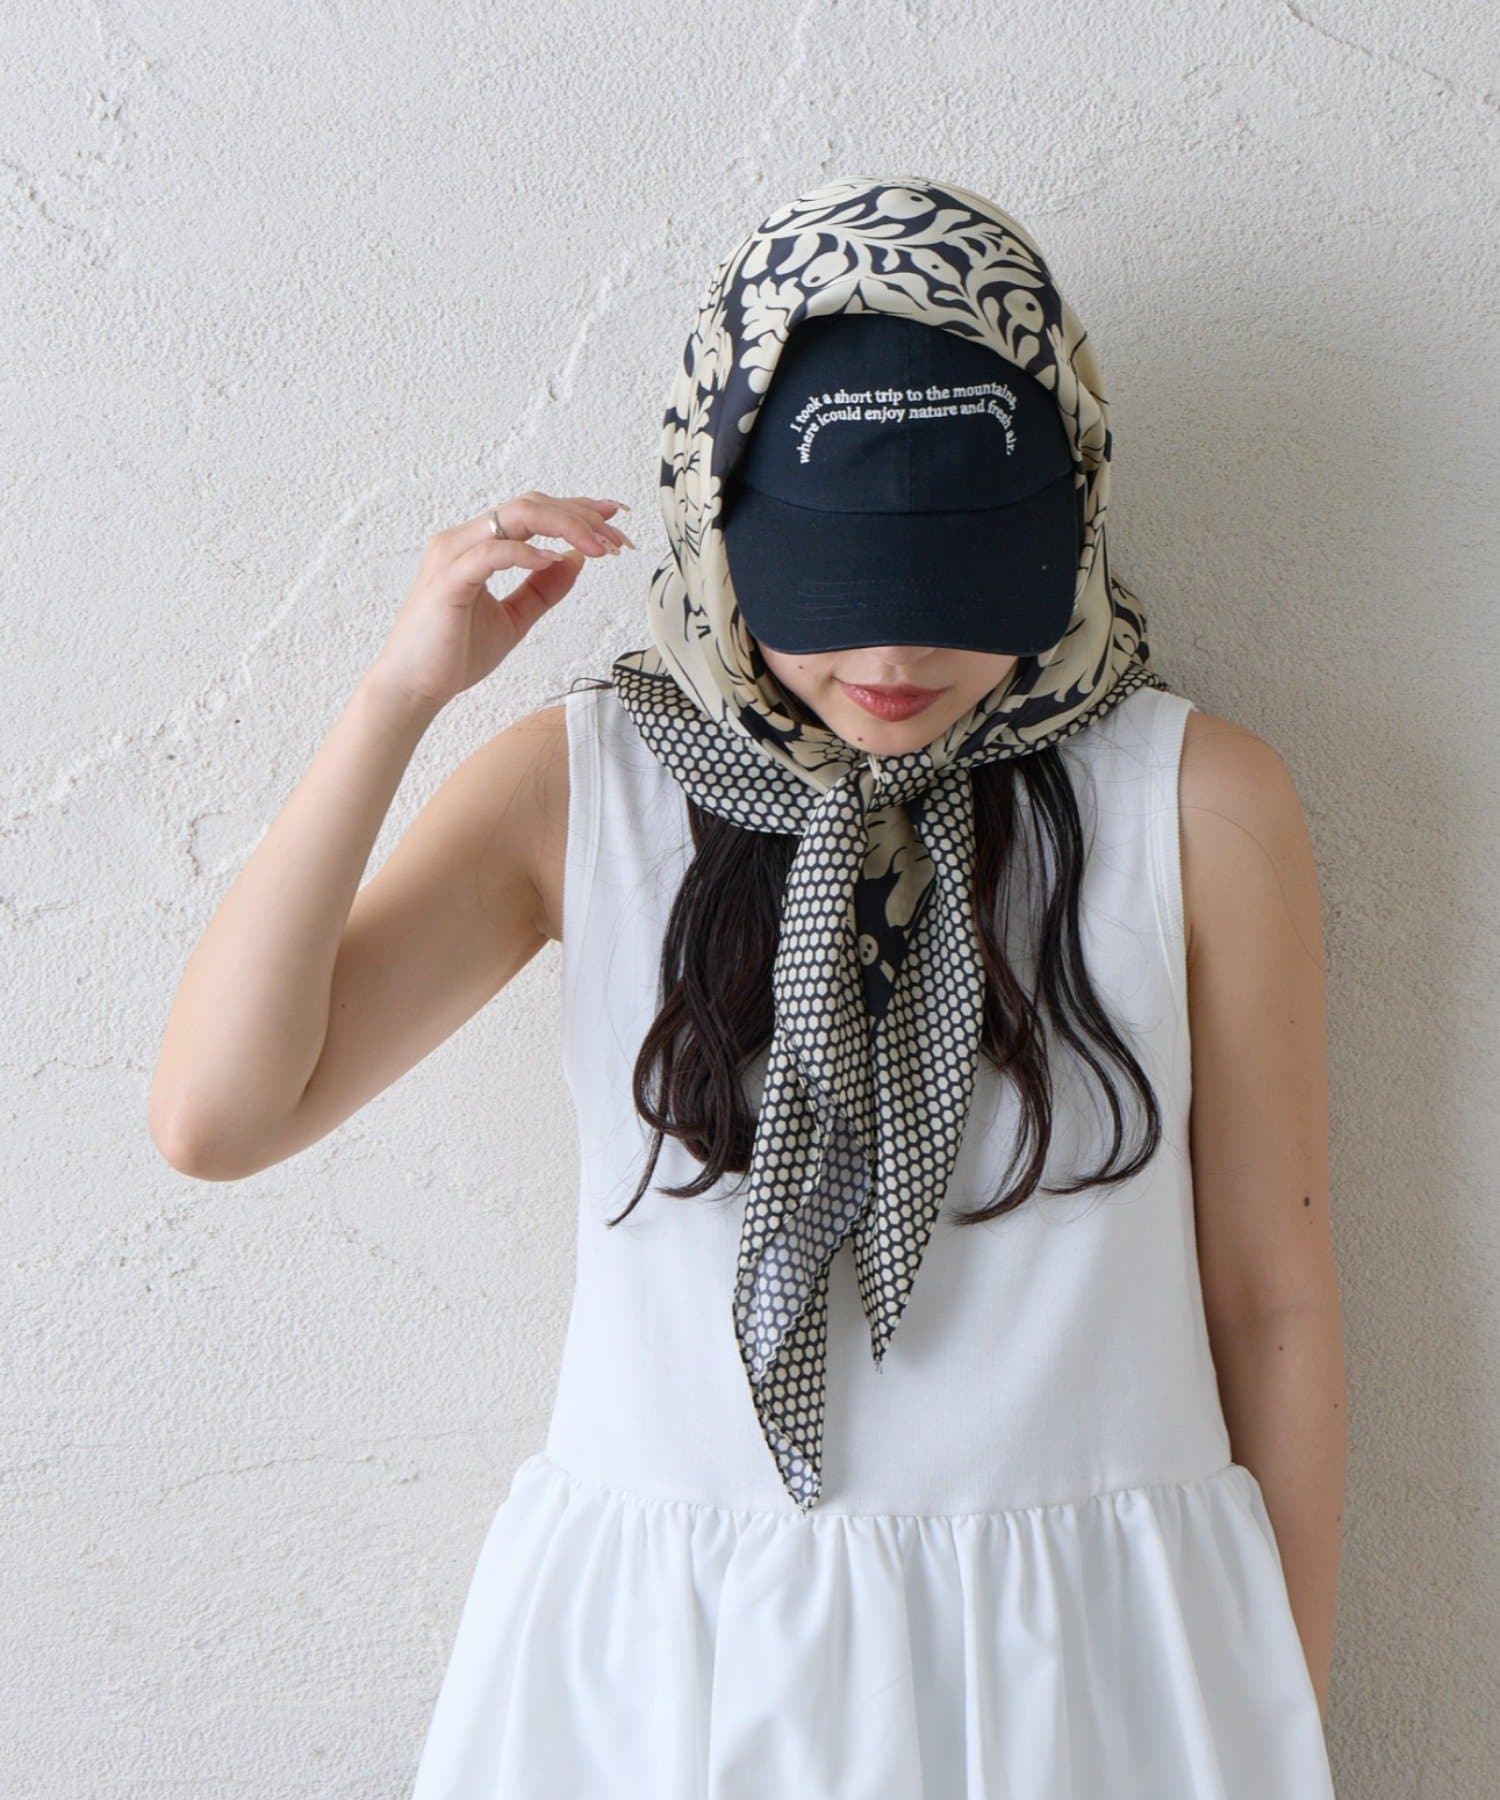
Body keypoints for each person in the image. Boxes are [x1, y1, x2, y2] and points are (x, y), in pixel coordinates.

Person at [148, 176, 1344, 1797]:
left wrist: (1275, 1716)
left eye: (957, 585)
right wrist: (397, 697)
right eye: (836, 590)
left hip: (1092, 1662)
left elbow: (1271, 1304)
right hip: (670, 1665)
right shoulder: (591, 787)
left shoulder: (1193, 802)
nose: (894, 661)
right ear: (718, 524)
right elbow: (219, 1118)